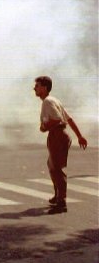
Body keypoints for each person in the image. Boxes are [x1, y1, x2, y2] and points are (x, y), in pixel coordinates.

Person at [33, 76, 87, 214]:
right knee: (52, 165)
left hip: (58, 136)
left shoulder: (48, 102)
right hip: (59, 136)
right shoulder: (53, 100)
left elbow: (58, 120)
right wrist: (79, 136)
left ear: (45, 88)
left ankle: (61, 202)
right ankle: (58, 196)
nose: (35, 88)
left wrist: (44, 127)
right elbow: (68, 119)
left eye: (37, 86)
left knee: (57, 168)